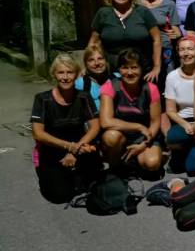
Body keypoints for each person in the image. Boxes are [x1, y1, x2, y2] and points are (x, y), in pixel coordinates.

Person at [31, 54, 101, 204]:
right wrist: (68, 146)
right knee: (60, 196)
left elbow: (95, 127)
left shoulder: (84, 97)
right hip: (53, 148)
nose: (65, 77)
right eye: (61, 72)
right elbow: (38, 134)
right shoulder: (42, 99)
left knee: (94, 186)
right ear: (54, 74)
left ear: (76, 75)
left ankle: (77, 176)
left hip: (79, 147)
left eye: (69, 72)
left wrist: (74, 150)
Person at [99, 48, 164, 174]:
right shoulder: (110, 86)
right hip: (120, 135)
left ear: (141, 69)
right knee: (110, 137)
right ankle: (116, 168)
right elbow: (106, 122)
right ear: (119, 69)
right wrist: (138, 127)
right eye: (124, 68)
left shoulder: (151, 88)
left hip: (145, 136)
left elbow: (155, 122)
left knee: (152, 163)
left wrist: (143, 144)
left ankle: (135, 160)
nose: (129, 72)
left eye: (134, 67)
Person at [89, 0, 161, 81]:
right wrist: (89, 66)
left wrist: (157, 67)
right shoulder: (103, 13)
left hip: (141, 69)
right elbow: (93, 43)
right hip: (111, 70)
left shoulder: (143, 12)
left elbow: (157, 39)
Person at [165, 35, 195, 175]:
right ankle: (185, 150)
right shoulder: (172, 77)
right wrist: (186, 125)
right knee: (173, 137)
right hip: (183, 122)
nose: (186, 53)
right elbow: (170, 110)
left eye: (190, 49)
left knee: (193, 169)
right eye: (182, 50)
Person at [138, 0, 181, 77]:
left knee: (167, 82)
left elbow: (177, 31)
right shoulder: (135, 3)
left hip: (164, 51)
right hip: (141, 51)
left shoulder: (169, 4)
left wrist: (175, 34)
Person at [74, 44, 110, 113]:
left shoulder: (116, 79)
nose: (97, 63)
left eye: (100, 58)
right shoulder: (81, 84)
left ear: (106, 60)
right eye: (91, 60)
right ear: (86, 64)